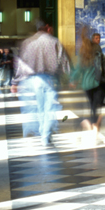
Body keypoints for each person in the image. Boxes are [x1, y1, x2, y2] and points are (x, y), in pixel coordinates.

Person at [14, 17, 71, 147]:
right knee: (50, 108)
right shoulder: (54, 42)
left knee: (40, 107)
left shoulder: (28, 42)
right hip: (49, 79)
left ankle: (42, 130)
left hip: (34, 80)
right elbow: (63, 61)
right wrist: (68, 77)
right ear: (48, 27)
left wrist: (15, 81)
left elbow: (21, 64)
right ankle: (45, 136)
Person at [72, 28, 105, 136]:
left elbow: (78, 68)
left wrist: (74, 79)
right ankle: (95, 123)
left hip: (86, 85)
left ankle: (92, 123)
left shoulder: (83, 55)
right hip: (97, 82)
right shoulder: (97, 50)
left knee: (92, 105)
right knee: (96, 106)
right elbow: (101, 65)